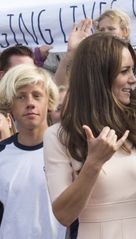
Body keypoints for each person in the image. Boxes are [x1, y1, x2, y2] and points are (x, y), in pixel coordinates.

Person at [43, 32, 136, 239]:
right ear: (98, 76)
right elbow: (64, 215)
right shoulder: (58, 136)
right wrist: (93, 163)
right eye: (124, 71)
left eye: (133, 70)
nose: (133, 79)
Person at [0, 64, 66, 238]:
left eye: (37, 96)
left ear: (49, 101)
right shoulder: (1, 154)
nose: (30, 103)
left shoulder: (69, 149)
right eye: (21, 97)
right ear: (10, 104)